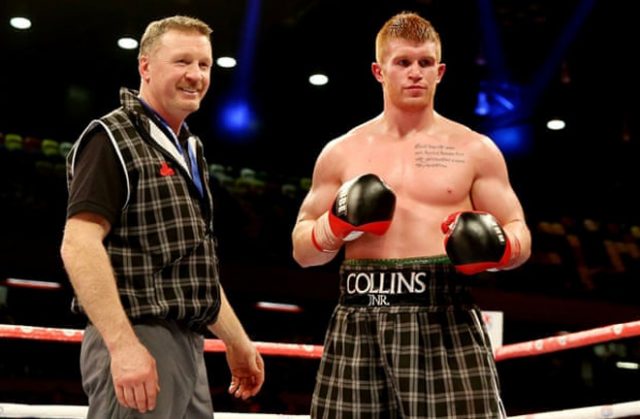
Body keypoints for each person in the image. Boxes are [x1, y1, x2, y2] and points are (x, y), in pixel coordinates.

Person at [292, 11, 531, 418]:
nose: (415, 73)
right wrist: (335, 226)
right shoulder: (341, 152)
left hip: (446, 316)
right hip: (359, 315)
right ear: (378, 71)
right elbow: (303, 249)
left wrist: (499, 247)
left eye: (424, 63)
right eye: (403, 62)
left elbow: (519, 233)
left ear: (440, 72)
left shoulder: (474, 149)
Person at [60, 15, 264, 418]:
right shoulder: (111, 138)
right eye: (182, 62)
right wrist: (122, 346)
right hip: (140, 335)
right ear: (146, 66)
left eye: (204, 65)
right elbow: (78, 244)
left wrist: (237, 341)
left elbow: (191, 267)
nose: (196, 75)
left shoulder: (190, 148)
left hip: (188, 343)